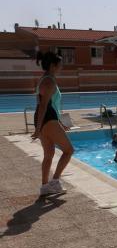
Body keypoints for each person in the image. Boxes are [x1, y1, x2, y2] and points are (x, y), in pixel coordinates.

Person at [31, 51, 73, 195]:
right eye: (60, 64)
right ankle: (55, 182)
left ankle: (45, 187)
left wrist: (59, 122)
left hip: (46, 118)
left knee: (49, 153)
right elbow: (43, 106)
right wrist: (38, 129)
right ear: (53, 65)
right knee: (68, 151)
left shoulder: (45, 79)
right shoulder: (49, 81)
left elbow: (50, 105)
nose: (62, 67)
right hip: (47, 118)